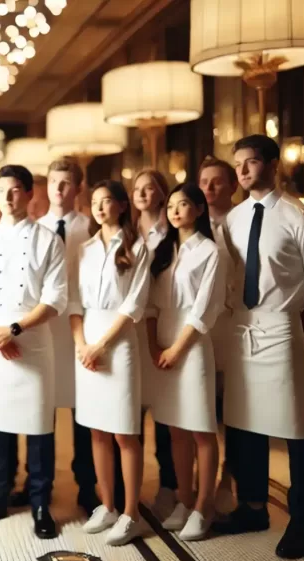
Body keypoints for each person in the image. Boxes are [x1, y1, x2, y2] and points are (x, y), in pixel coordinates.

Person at [213, 135, 304, 560]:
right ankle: (252, 507)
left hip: (282, 328)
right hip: (241, 327)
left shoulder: (302, 218)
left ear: (272, 164)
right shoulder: (231, 219)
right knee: (243, 425)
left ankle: (301, 522)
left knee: (296, 430)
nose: (243, 172)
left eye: (250, 163)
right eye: (239, 166)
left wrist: (291, 328)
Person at [0, 164, 66, 540]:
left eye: (14, 190)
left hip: (33, 339)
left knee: (40, 427)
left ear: (29, 194)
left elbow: (55, 298)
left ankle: (41, 502)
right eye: (1, 190)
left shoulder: (48, 239)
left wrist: (15, 330)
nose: (6, 197)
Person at [70, 180, 151, 546]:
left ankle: (132, 512)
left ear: (121, 205)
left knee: (123, 431)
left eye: (107, 202)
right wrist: (82, 345)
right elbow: (73, 303)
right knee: (96, 429)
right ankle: (107, 505)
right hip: (86, 340)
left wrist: (100, 345)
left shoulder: (137, 247)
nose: (100, 208)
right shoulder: (84, 249)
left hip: (118, 342)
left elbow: (134, 305)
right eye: (95, 203)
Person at [145, 183, 226, 541]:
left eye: (183, 205)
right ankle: (184, 497)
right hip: (161, 342)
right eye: (172, 206)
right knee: (175, 427)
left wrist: (177, 349)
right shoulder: (164, 251)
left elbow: (205, 308)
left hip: (190, 344)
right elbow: (150, 303)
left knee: (200, 427)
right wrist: (153, 345)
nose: (175, 211)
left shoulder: (211, 251)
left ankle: (203, 505)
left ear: (198, 209)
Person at [37, 157, 97, 514]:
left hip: (81, 327)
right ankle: (39, 487)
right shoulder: (35, 228)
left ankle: (87, 484)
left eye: (65, 183)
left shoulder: (91, 226)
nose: (58, 189)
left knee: (82, 410)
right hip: (44, 327)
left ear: (78, 188)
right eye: (53, 182)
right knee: (42, 409)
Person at [130, 169, 179, 519]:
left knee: (164, 413)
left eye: (151, 189)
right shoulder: (125, 232)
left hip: (159, 330)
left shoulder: (174, 233)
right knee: (130, 412)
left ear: (163, 195)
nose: (144, 194)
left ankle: (169, 484)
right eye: (138, 189)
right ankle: (131, 488)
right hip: (127, 332)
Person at [198, 156, 241, 511]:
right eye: (204, 182)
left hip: (232, 324)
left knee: (233, 407)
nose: (209, 189)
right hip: (197, 328)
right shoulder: (190, 224)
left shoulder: (241, 223)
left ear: (232, 186)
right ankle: (196, 481)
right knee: (200, 407)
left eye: (217, 182)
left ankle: (229, 475)